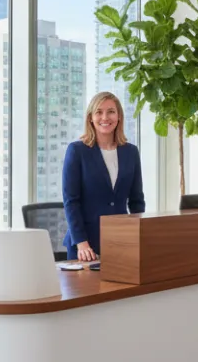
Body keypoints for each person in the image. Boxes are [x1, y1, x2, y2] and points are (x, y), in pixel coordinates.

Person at [62, 91, 145, 262]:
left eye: (111, 111)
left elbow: (136, 200)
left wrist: (141, 237)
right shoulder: (77, 151)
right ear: (90, 118)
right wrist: (82, 243)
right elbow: (71, 201)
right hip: (86, 246)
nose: (105, 117)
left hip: (121, 241)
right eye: (99, 112)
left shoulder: (131, 152)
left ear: (119, 116)